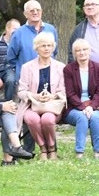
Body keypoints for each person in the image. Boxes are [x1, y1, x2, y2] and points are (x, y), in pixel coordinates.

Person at [16, 32, 66, 160]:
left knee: (47, 120)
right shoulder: (27, 67)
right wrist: (35, 96)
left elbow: (63, 90)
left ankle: (52, 147)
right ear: (36, 48)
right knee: (32, 119)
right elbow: (21, 91)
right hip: (32, 105)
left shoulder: (60, 67)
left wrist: (52, 96)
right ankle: (43, 148)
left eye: (49, 45)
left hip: (53, 106)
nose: (46, 48)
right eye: (43, 45)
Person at [63, 38, 99, 158]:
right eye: (78, 50)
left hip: (94, 106)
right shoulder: (69, 69)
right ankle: (79, 152)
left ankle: (98, 152)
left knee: (96, 117)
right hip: (74, 107)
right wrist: (83, 107)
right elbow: (70, 93)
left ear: (90, 51)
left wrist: (91, 107)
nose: (82, 52)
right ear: (74, 53)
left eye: (84, 49)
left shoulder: (97, 68)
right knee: (82, 117)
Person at [6, 0, 59, 80]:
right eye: (32, 10)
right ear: (25, 14)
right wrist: (23, 69)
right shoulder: (18, 33)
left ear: (41, 12)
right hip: (26, 79)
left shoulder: (51, 29)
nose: (35, 12)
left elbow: (54, 51)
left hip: (48, 76)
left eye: (38, 10)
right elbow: (11, 58)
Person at [0, 18, 20, 100]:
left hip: (10, 70)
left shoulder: (18, 43)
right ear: (7, 28)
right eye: (14, 29)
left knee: (10, 81)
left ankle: (8, 103)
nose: (17, 31)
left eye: (18, 29)